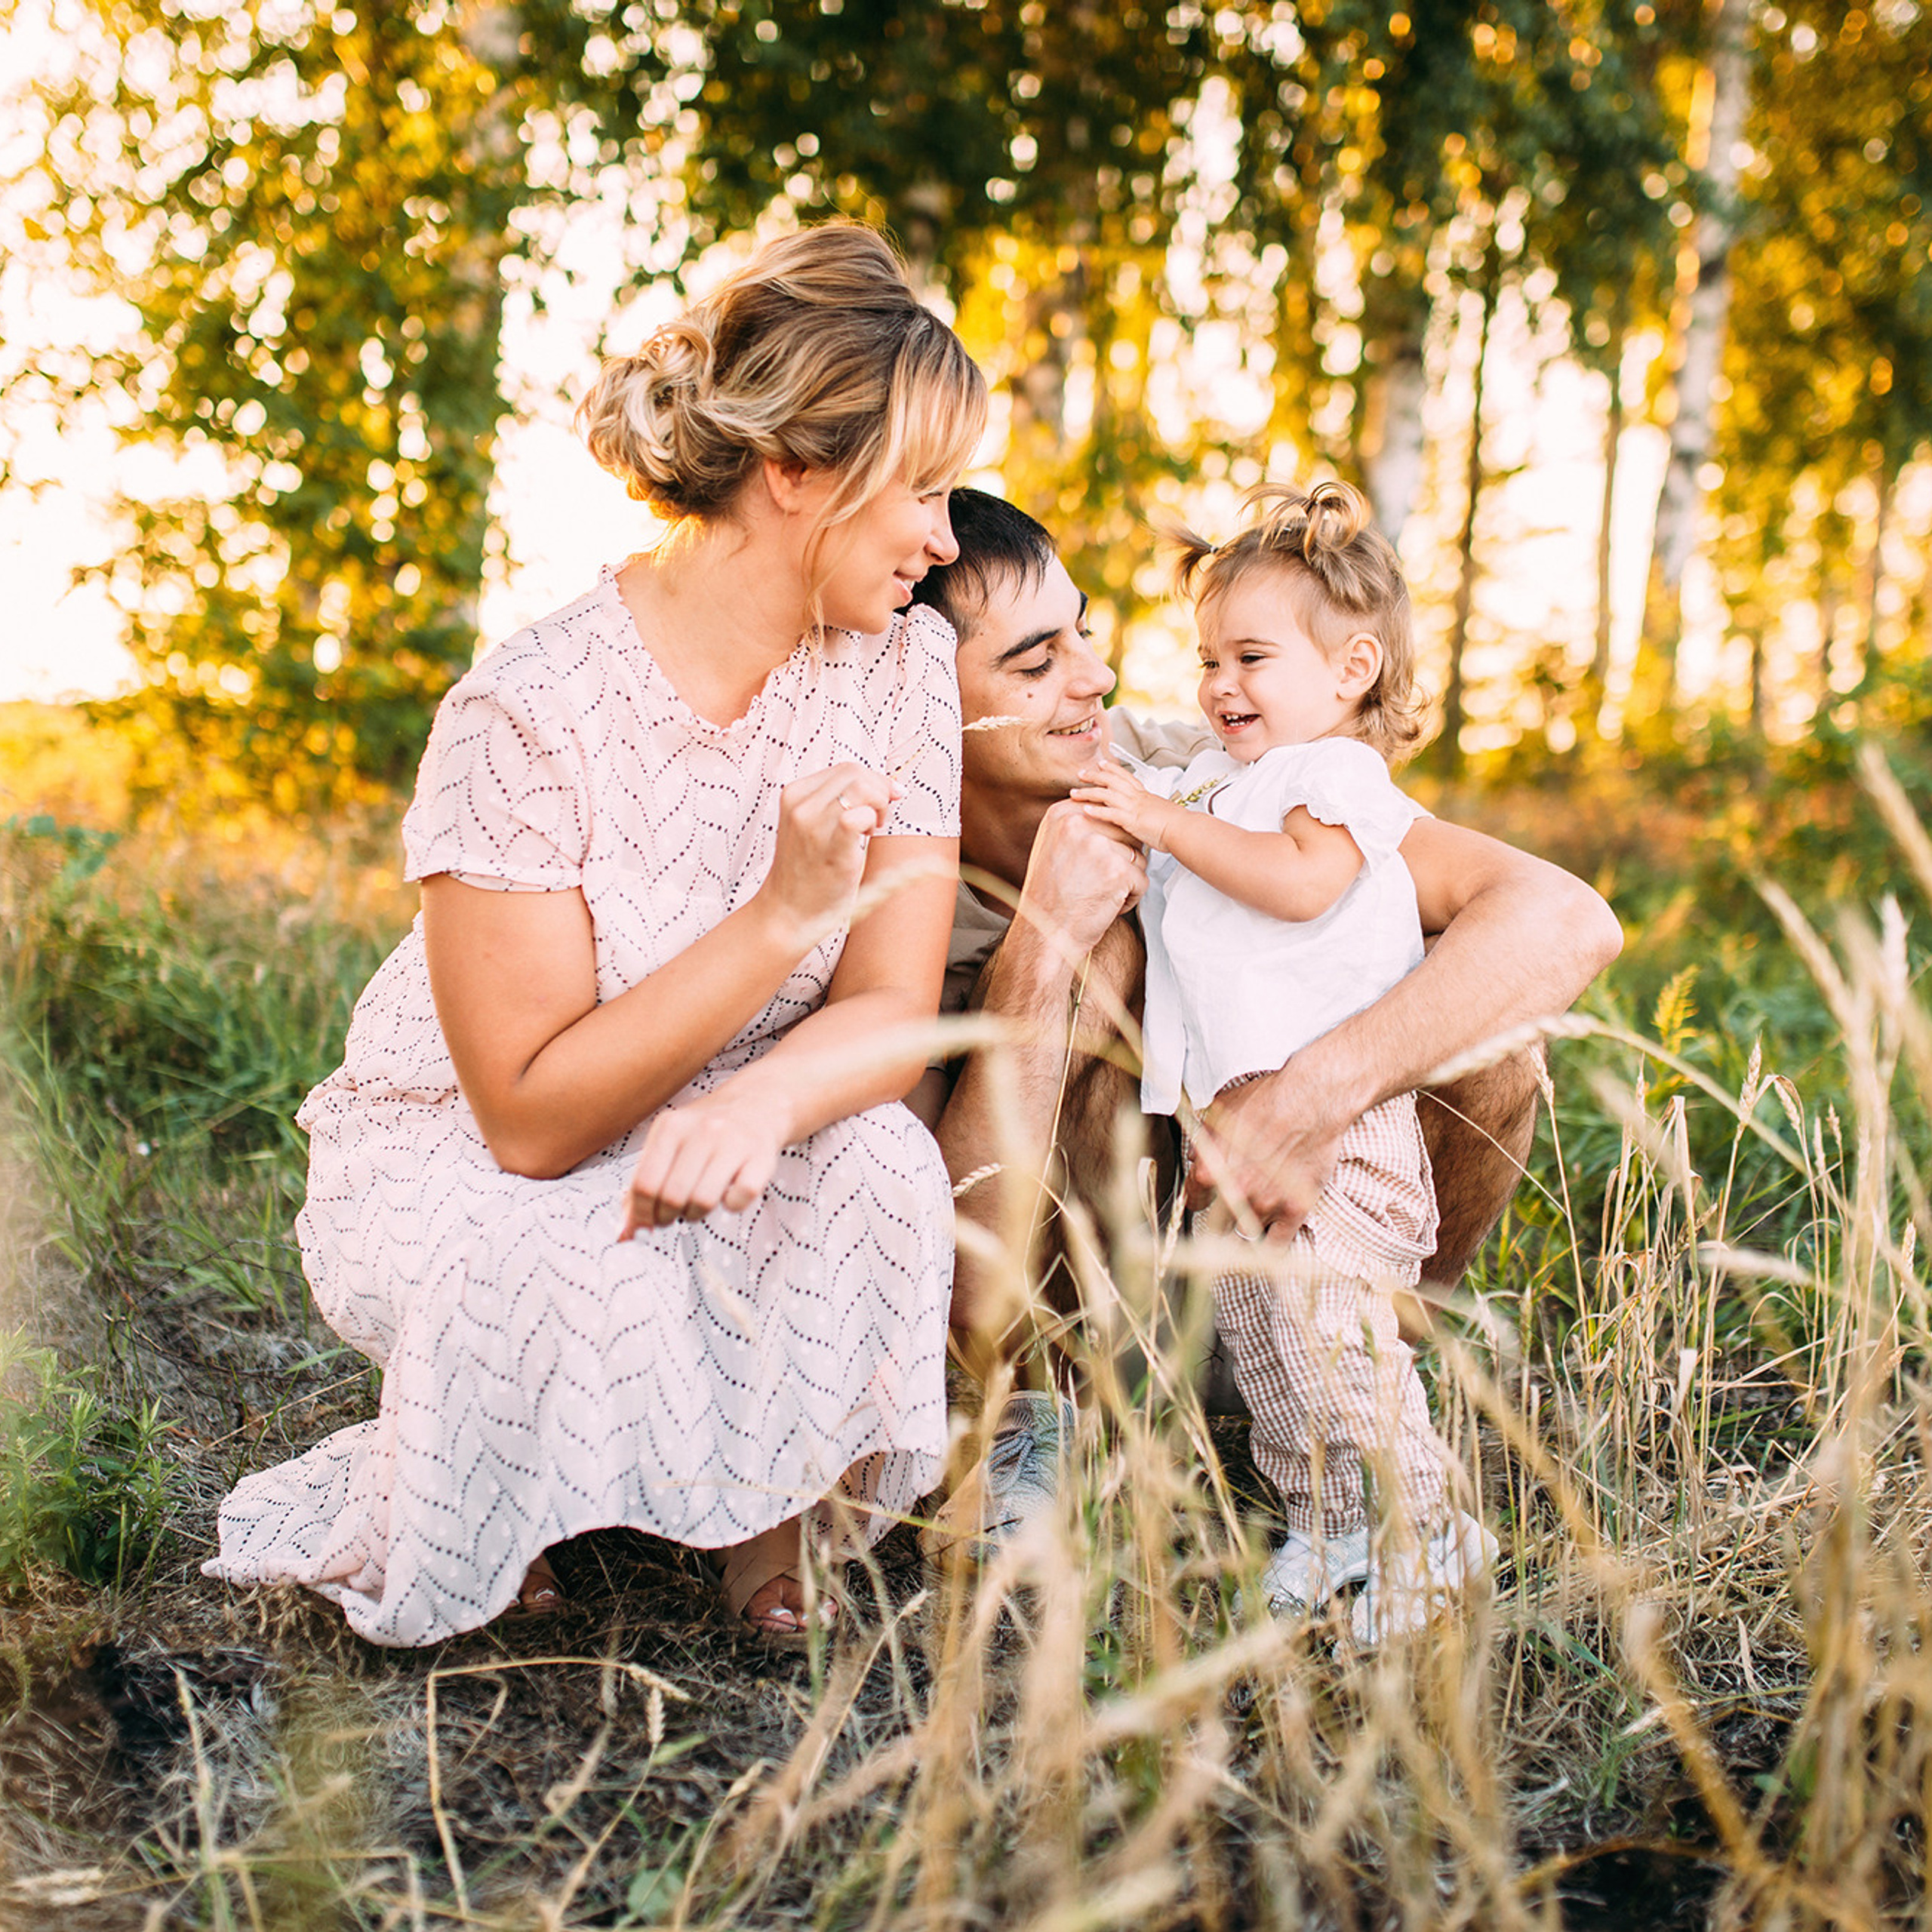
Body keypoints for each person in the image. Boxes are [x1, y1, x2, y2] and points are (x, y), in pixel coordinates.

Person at [203, 223, 986, 1644]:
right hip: (473, 1144)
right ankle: (502, 1491)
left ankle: (768, 1520)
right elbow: (527, 1121)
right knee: (532, 1249)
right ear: (796, 472)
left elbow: (894, 1007)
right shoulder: (527, 710)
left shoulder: (902, 666)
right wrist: (778, 920)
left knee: (879, 1156)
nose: (945, 540)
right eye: (924, 491)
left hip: (730, 1108)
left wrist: (757, 1103)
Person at [906, 490, 1621, 1561]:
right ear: (918, 698)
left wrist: (1310, 1097)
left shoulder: (1193, 769)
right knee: (1103, 958)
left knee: (1489, 1047)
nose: (1096, 677)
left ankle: (1355, 1375)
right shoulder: (888, 887)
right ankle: (1037, 1422)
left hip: (1279, 1233)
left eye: (1084, 633)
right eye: (1037, 663)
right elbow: (963, 1280)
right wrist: (1040, 951)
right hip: (1071, 1312)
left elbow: (1563, 920)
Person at [1070, 478, 1494, 1640]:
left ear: (1353, 670)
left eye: (1252, 658)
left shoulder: (1334, 777)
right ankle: (1330, 1522)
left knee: (1335, 1337)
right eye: (1209, 659)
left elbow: (1304, 885)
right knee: (1269, 1344)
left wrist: (1162, 822)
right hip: (1233, 1121)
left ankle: (1429, 1530)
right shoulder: (1225, 779)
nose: (1220, 685)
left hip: (1336, 1125)